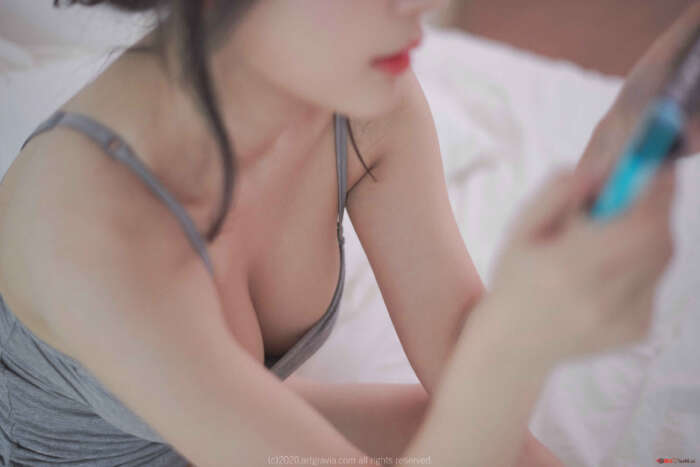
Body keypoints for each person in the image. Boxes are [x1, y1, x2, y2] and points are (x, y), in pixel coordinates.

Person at [0, 0, 697, 465]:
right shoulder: (82, 222)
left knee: (442, 423)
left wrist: (613, 148)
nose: (422, 4)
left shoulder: (359, 106)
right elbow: (492, 364)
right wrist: (517, 347)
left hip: (221, 431)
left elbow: (461, 356)